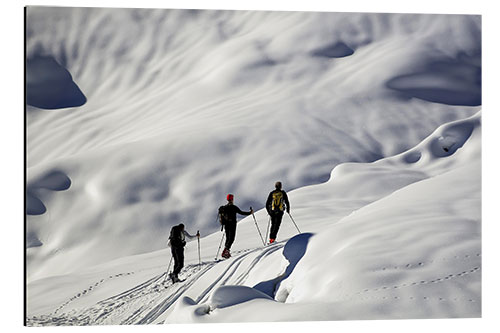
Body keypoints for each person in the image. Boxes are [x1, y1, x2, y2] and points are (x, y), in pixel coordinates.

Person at [218, 194, 253, 258]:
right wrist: (250, 213)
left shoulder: (225, 208)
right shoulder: (234, 207)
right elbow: (242, 213)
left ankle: (226, 251)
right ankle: (226, 251)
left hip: (226, 225)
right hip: (232, 224)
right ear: (232, 199)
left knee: (228, 238)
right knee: (232, 238)